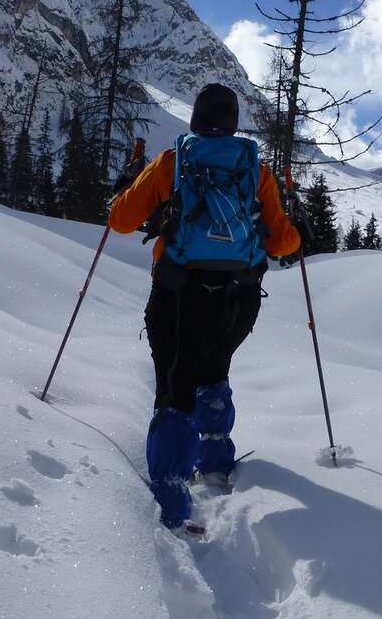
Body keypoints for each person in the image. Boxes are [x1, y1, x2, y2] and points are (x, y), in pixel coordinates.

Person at [108, 83, 302, 533]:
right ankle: (215, 462)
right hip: (238, 297)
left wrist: (124, 188)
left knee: (175, 381)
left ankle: (171, 496)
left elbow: (121, 220)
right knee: (213, 370)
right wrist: (298, 226)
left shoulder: (173, 162)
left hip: (178, 291)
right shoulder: (258, 171)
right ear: (233, 122)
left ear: (196, 119)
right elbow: (282, 243)